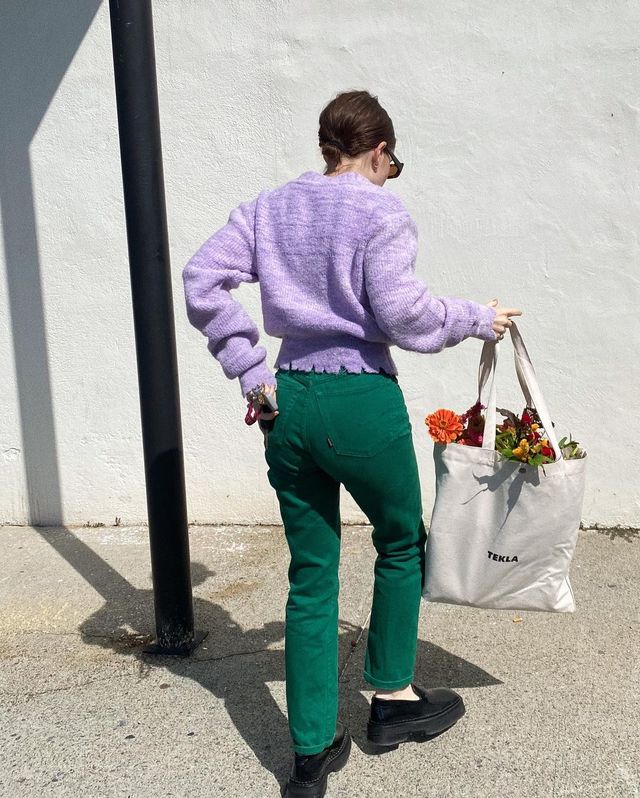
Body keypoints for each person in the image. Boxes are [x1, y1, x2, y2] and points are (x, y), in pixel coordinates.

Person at [182, 89, 522, 798]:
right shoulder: (380, 212)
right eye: (391, 164)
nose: (390, 176)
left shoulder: (270, 207)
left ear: (327, 146)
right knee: (400, 542)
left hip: (288, 402)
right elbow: (402, 313)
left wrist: (252, 374)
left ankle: (309, 757)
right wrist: (474, 318)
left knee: (312, 572)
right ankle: (392, 700)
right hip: (361, 400)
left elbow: (202, 279)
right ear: (379, 151)